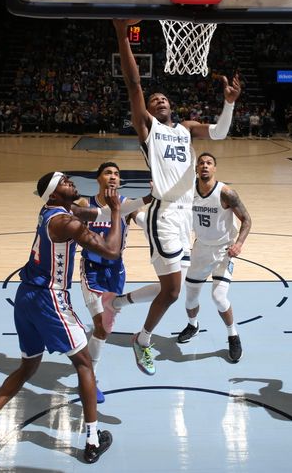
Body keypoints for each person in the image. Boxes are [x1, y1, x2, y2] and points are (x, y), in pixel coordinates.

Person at [0, 172, 121, 464]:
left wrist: (132, 202)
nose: (71, 183)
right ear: (54, 194)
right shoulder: (65, 222)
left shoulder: (53, 210)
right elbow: (111, 250)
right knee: (84, 364)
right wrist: (118, 212)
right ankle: (92, 440)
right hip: (50, 298)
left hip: (26, 298)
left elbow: (90, 211)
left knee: (27, 367)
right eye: (65, 182)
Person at [112, 19, 241, 376]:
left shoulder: (185, 130)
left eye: (164, 98)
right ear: (149, 112)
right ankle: (142, 341)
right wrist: (123, 35)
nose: (160, 101)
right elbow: (134, 83)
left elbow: (218, 133)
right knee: (171, 292)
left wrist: (228, 104)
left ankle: (119, 303)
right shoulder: (148, 129)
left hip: (186, 216)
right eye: (155, 101)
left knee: (172, 284)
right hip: (166, 214)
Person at [75, 161, 152, 402]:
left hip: (116, 270)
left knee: (105, 329)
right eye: (107, 173)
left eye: (117, 174)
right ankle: (90, 379)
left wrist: (151, 226)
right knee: (100, 325)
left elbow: (141, 220)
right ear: (97, 178)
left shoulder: (126, 204)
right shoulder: (85, 203)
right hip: (92, 269)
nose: (112, 177)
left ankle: (90, 366)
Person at [175, 153, 252, 362]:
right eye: (201, 163)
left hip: (224, 251)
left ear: (214, 168)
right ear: (197, 168)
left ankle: (233, 335)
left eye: (209, 163)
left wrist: (239, 243)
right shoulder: (189, 191)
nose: (204, 166)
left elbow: (247, 220)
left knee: (218, 298)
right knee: (190, 298)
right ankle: (193, 326)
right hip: (200, 249)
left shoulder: (226, 193)